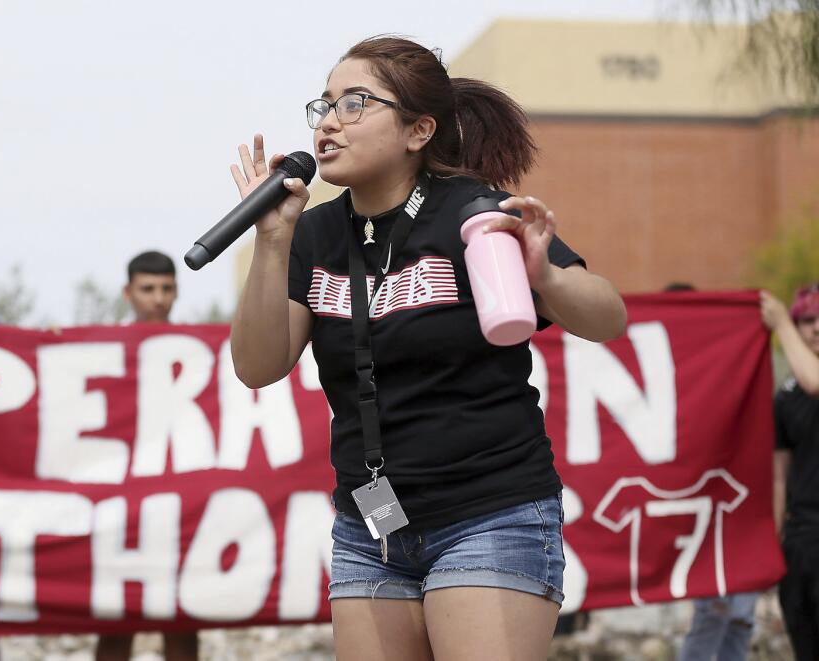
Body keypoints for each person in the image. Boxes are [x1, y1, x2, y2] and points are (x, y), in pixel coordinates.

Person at [227, 36, 626, 660]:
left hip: (489, 514)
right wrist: (272, 242)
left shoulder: (475, 215)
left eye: (354, 103)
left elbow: (607, 317)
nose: (329, 122)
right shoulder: (313, 233)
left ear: (419, 130)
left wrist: (544, 276)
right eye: (324, 105)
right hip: (372, 527)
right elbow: (257, 364)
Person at [95, 250, 196, 661]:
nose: (158, 298)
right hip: (120, 507)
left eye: (166, 289)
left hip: (182, 503)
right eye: (148, 289)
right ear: (128, 292)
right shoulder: (99, 351)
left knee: (184, 619)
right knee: (117, 621)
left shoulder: (195, 352)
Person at [673, 282, 759, 661]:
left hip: (736, 510)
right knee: (714, 610)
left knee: (740, 615)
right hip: (692, 513)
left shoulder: (724, 367)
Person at [761, 284, 819, 660]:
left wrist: (782, 322)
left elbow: (815, 382)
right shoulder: (785, 396)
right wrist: (774, 537)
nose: (816, 328)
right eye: (807, 320)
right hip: (803, 539)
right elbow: (779, 474)